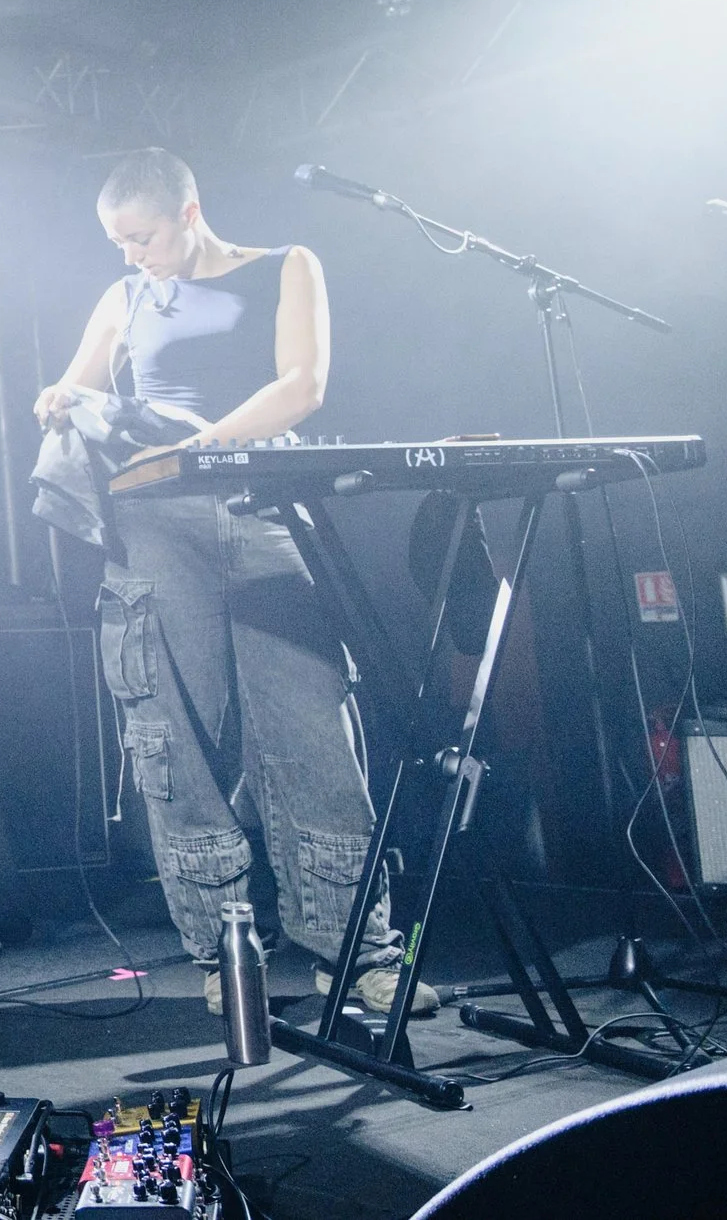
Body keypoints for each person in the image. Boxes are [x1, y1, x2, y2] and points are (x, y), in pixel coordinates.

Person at [33, 148, 433, 1019]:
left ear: (187, 211)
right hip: (155, 525)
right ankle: (226, 953)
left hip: (265, 510)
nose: (129, 254)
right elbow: (79, 381)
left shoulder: (288, 266)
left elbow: (302, 384)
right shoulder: (124, 297)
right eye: (116, 242)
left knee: (313, 725)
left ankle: (356, 952)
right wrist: (62, 397)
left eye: (139, 236)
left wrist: (202, 444)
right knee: (174, 740)